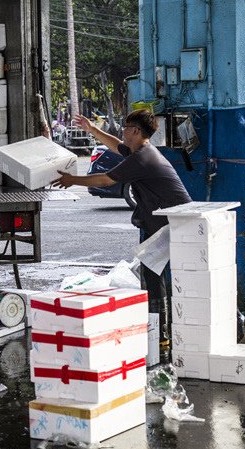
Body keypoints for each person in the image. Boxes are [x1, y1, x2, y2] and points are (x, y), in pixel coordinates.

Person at [51, 108, 191, 350]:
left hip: (175, 225)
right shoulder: (141, 151)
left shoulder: (143, 157)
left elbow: (106, 179)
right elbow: (117, 147)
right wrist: (92, 129)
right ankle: (159, 330)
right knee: (152, 274)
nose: (123, 131)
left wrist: (73, 180)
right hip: (167, 223)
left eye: (126, 127)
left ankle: (161, 333)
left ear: (135, 131)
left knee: (154, 275)